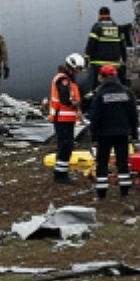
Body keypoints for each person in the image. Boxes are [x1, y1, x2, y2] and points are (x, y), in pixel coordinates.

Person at [87, 64, 139, 200]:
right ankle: (124, 190)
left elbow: (95, 116)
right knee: (122, 161)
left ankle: (102, 192)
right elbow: (133, 114)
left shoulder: (100, 94)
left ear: (102, 77)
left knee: (102, 163)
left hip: (104, 134)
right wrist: (134, 133)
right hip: (122, 133)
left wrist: (94, 136)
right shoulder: (126, 93)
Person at [49, 53, 86, 184]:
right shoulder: (63, 80)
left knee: (65, 146)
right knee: (65, 145)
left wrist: (78, 111)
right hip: (62, 119)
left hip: (66, 119)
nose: (79, 72)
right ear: (72, 67)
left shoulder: (68, 80)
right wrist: (78, 104)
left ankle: (61, 172)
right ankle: (60, 175)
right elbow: (65, 99)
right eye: (78, 69)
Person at [84, 6, 126, 93]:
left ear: (99, 15)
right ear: (109, 15)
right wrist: (124, 60)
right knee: (115, 85)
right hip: (114, 63)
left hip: (98, 64)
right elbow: (122, 45)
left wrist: (86, 57)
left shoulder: (97, 27)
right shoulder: (117, 28)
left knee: (96, 87)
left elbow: (91, 44)